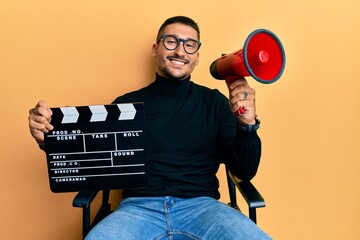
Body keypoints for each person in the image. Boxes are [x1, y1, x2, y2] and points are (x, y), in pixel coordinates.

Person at [28, 16, 271, 239]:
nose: (180, 51)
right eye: (171, 41)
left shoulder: (215, 103)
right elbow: (92, 161)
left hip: (202, 207)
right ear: (155, 49)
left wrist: (247, 124)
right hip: (137, 210)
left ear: (197, 56)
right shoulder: (125, 105)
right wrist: (48, 138)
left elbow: (245, 171)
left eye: (189, 45)